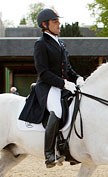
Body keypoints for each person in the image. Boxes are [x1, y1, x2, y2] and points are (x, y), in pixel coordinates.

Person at [19, 8, 84, 168]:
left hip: (63, 87)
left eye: (58, 22)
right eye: (55, 22)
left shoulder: (60, 43)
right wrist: (64, 83)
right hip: (47, 87)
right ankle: (49, 153)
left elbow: (67, 69)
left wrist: (78, 78)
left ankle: (70, 147)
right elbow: (43, 72)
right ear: (44, 24)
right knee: (58, 111)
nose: (59, 25)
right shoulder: (40, 44)